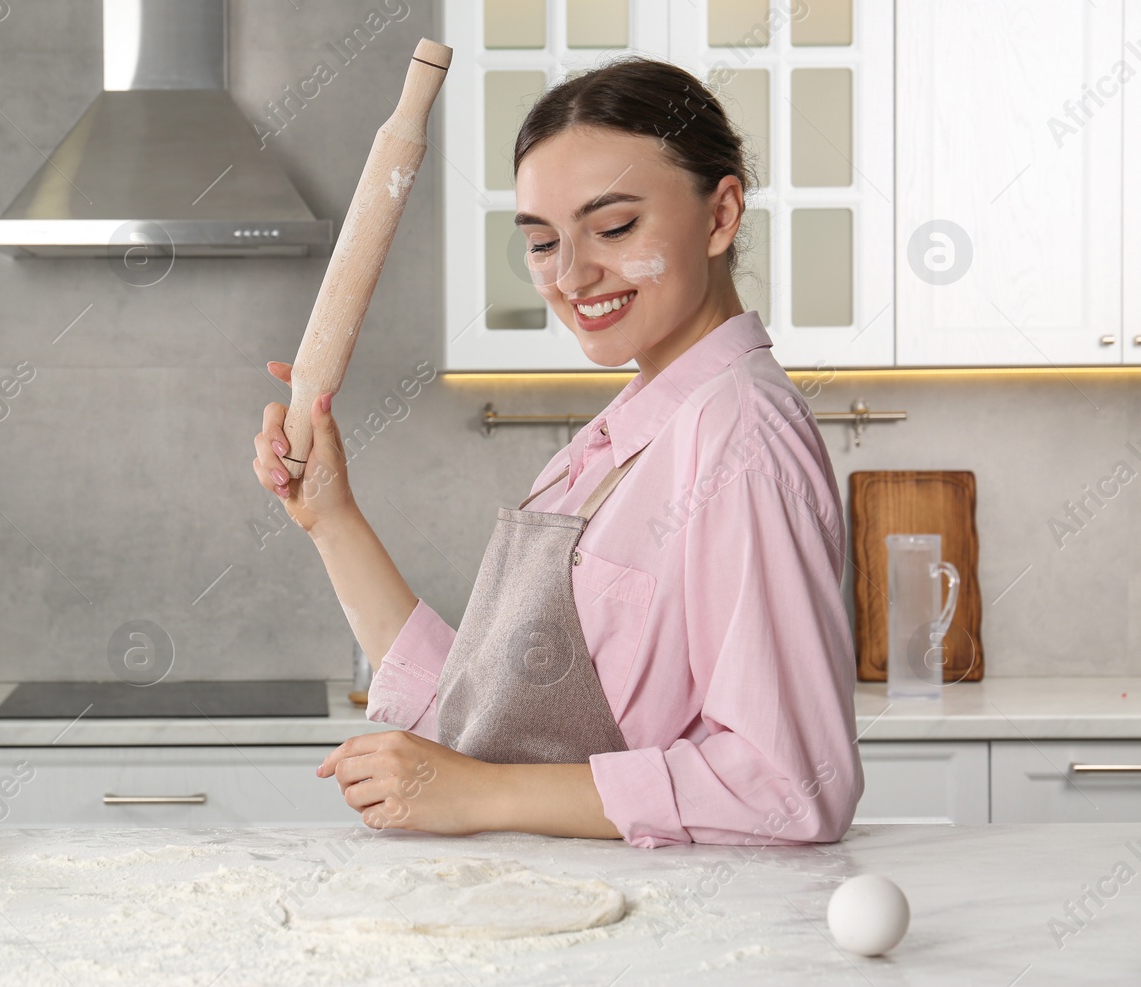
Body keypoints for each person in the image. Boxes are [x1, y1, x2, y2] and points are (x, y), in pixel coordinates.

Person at [250, 56, 862, 848]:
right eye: (542, 242)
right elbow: (483, 718)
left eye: (613, 228)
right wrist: (330, 519)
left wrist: (481, 795)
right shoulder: (625, 439)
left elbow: (788, 786)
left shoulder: (738, 441)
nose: (571, 275)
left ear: (720, 216)